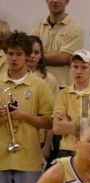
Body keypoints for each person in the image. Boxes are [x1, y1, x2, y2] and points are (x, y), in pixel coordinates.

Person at [0, 31, 54, 183]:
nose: (13, 59)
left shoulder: (39, 85)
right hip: (1, 157)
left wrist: (24, 117)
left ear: (27, 56)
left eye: (18, 54)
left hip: (29, 157)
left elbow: (49, 122)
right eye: (10, 54)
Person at [52, 50, 90, 157]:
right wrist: (85, 125)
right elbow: (57, 128)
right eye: (75, 67)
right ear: (70, 68)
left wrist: (69, 125)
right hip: (66, 150)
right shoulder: (62, 94)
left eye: (84, 67)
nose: (78, 71)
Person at [30, 0, 84, 89]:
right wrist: (57, 55)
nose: (55, 1)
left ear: (67, 1)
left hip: (63, 86)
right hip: (38, 83)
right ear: (46, 1)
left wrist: (37, 56)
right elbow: (28, 54)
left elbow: (63, 58)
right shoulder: (37, 27)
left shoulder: (75, 28)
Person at [27, 34, 58, 163]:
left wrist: (47, 145)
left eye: (36, 52)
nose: (32, 55)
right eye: (29, 52)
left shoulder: (49, 80)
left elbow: (53, 115)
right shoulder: (12, 78)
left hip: (40, 139)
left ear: (41, 55)